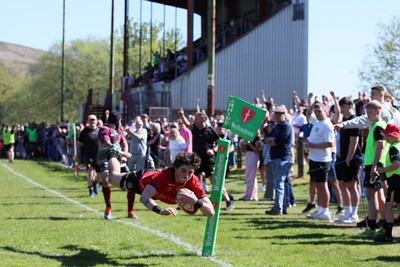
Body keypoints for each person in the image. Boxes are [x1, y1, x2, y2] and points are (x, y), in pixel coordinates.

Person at [106, 151, 215, 217]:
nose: (186, 175)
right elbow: (144, 197)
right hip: (141, 182)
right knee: (112, 177)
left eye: (190, 172)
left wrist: (196, 201)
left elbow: (211, 212)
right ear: (175, 168)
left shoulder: (194, 182)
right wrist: (160, 210)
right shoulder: (163, 177)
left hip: (158, 192)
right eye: (183, 170)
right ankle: (112, 153)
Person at [178, 108, 235, 211]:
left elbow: (219, 142)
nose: (194, 120)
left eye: (196, 119)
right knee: (189, 180)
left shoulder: (210, 131)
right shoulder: (194, 128)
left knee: (215, 182)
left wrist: (213, 150)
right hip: (196, 160)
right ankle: (184, 202)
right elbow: (187, 125)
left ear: (203, 120)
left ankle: (228, 202)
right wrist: (182, 115)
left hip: (208, 160)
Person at [355, 100, 387, 239]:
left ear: (378, 111)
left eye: (370, 112)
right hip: (373, 164)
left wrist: (374, 166)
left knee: (372, 195)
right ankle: (383, 224)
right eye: (367, 112)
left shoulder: (379, 126)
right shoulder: (374, 125)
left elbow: (381, 147)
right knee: (376, 195)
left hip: (374, 164)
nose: (368, 114)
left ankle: (372, 226)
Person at [97, 111, 137, 220]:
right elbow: (107, 144)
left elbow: (124, 143)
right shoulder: (104, 129)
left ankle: (131, 211)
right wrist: (123, 153)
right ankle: (108, 208)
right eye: (120, 120)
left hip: (119, 160)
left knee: (132, 182)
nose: (121, 122)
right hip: (106, 159)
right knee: (105, 180)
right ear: (117, 120)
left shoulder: (119, 131)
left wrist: (123, 156)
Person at [305, 99, 334, 221]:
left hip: (322, 159)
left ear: (325, 111)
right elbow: (307, 114)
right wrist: (312, 103)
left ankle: (325, 210)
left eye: (319, 111)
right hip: (314, 159)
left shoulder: (327, 124)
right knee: (317, 185)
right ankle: (320, 209)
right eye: (315, 111)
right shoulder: (316, 121)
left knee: (323, 186)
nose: (317, 113)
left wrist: (312, 145)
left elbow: (329, 143)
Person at [335, 97, 362, 223]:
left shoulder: (354, 120)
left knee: (351, 185)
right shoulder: (343, 120)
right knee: (342, 185)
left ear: (350, 106)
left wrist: (348, 158)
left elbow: (354, 141)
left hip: (351, 158)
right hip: (341, 157)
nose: (342, 109)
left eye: (344, 106)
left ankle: (354, 214)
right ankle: (347, 212)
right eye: (341, 106)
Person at [264, 105, 294, 215]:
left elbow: (276, 141)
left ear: (283, 115)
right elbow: (266, 139)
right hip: (276, 157)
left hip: (283, 158)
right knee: (281, 183)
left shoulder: (286, 126)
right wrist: (271, 140)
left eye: (278, 114)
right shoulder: (276, 126)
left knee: (279, 183)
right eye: (275, 114)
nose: (276, 116)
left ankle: (278, 208)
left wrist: (271, 140)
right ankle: (282, 206)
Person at [376, 124, 400, 242]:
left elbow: (396, 164)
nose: (386, 137)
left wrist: (382, 170)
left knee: (388, 205)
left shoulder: (394, 148)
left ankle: (388, 234)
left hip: (396, 180)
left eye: (388, 135)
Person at [77, 114, 100, 198]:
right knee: (90, 173)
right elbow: (79, 142)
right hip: (88, 156)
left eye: (94, 120)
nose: (92, 122)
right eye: (91, 120)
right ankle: (90, 191)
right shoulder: (85, 131)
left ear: (96, 121)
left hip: (98, 156)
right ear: (88, 121)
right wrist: (79, 155)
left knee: (99, 175)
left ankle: (95, 183)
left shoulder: (100, 131)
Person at [239, 132, 262, 201]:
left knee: (251, 176)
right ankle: (252, 195)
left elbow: (256, 150)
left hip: (253, 155)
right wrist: (243, 145)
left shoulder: (257, 138)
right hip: (248, 154)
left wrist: (249, 143)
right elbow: (244, 150)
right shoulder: (248, 136)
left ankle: (249, 195)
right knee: (250, 176)